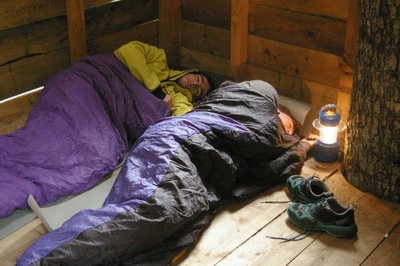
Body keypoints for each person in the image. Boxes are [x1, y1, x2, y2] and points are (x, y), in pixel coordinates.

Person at [114, 41, 212, 116]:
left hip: (118, 101)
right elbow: (129, 49)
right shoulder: (159, 58)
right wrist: (157, 91)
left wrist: (165, 109)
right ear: (192, 71)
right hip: (111, 73)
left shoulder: (178, 99)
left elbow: (184, 115)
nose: (195, 83)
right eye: (198, 79)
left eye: (198, 91)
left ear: (194, 98)